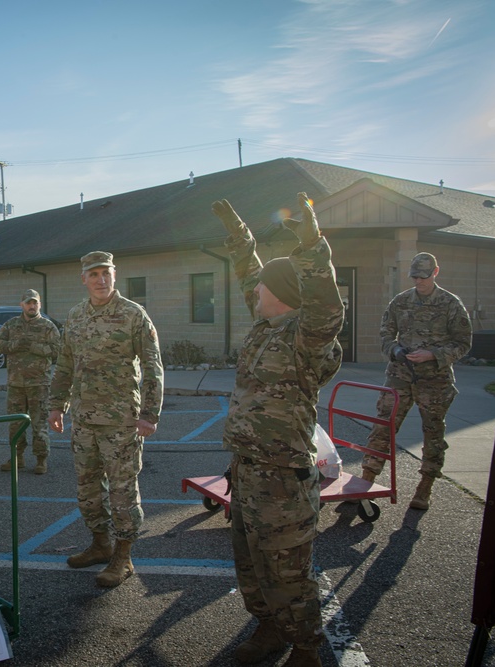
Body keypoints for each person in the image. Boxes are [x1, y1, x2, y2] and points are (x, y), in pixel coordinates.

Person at [212, 193, 344, 667]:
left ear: (282, 293)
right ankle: (268, 628)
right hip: (247, 468)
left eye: (264, 288)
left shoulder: (306, 337)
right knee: (250, 563)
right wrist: (240, 237)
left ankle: (307, 648)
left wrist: (310, 242)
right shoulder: (266, 326)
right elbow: (251, 274)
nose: (254, 292)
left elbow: (326, 302)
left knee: (287, 571)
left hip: (283, 476)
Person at [47, 251, 163, 588]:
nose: (101, 280)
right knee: (87, 488)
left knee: (123, 491)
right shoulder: (76, 316)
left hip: (121, 420)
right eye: (94, 274)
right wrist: (56, 406)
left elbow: (153, 366)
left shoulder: (132, 314)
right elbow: (65, 364)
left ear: (115, 275)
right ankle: (100, 544)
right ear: (84, 279)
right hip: (84, 418)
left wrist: (149, 414)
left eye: (106, 273)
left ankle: (123, 556)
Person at [360, 251, 472, 510]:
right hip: (400, 376)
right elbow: (386, 333)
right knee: (382, 427)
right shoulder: (400, 302)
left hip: (434, 381)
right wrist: (395, 350)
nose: (418, 281)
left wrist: (433, 354)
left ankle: (425, 487)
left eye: (423, 276)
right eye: (414, 277)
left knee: (433, 433)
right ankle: (366, 482)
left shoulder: (450, 304)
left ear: (435, 272)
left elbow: (463, 343)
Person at [0, 289, 60, 474]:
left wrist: (33, 346)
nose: (32, 306)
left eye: (35, 303)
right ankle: (17, 457)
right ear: (21, 305)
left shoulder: (47, 326)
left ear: (39, 304)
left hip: (39, 384)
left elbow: (57, 349)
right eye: (28, 303)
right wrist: (15, 345)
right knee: (16, 424)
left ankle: (41, 459)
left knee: (39, 425)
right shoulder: (11, 324)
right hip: (16, 384)